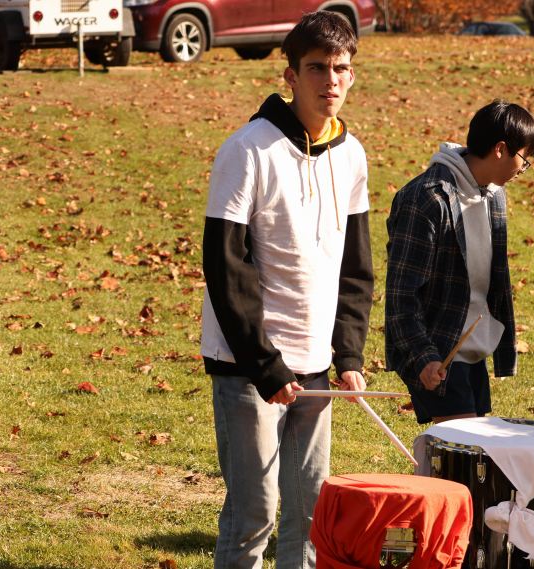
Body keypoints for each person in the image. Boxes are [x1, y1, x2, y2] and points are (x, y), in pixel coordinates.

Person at [201, 12, 373, 569]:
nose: (330, 80)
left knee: (309, 514)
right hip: (249, 367)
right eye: (317, 68)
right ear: (290, 75)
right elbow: (225, 266)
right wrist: (266, 366)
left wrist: (346, 352)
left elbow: (356, 268)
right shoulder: (246, 150)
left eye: (341, 69)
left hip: (317, 366)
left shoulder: (352, 155)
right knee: (256, 512)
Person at [384, 100, 534, 425]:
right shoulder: (427, 199)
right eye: (524, 161)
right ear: (500, 149)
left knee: (465, 458)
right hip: (438, 349)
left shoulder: (494, 195)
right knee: (462, 456)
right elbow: (401, 295)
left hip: (472, 348)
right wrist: (424, 356)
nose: (522, 171)